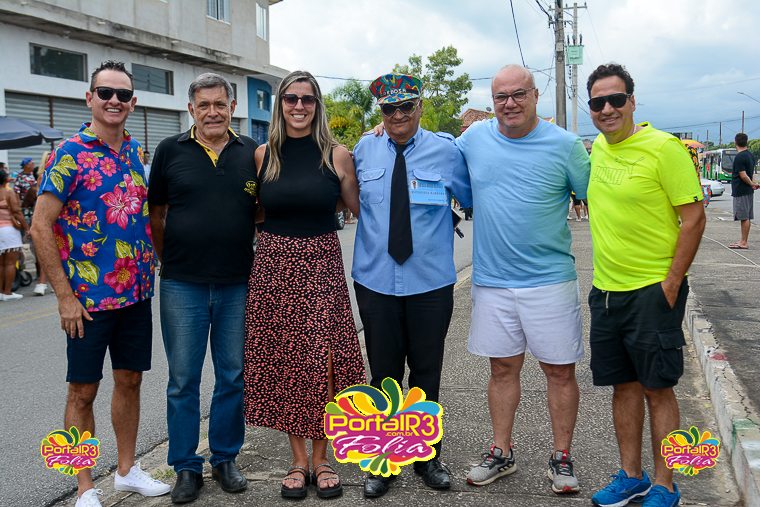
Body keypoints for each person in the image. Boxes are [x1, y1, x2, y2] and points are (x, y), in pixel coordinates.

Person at [31, 60, 170, 507]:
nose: (114, 100)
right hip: (87, 302)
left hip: (135, 295)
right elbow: (39, 226)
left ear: (133, 102)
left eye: (122, 94)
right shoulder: (68, 153)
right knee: (82, 391)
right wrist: (64, 297)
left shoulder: (133, 151)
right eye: (105, 92)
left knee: (130, 381)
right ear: (89, 97)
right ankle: (84, 487)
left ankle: (127, 471)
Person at [456, 65, 589, 495]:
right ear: (492, 101)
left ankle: (562, 457)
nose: (509, 103)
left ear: (535, 95)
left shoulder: (566, 145)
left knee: (559, 371)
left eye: (518, 94)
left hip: (550, 280)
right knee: (501, 368)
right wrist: (381, 131)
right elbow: (435, 152)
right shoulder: (475, 138)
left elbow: (598, 196)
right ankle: (501, 451)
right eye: (501, 97)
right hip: (493, 281)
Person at [585, 63, 705, 507]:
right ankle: (631, 476)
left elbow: (694, 218)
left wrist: (671, 284)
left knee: (658, 388)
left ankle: (665, 485)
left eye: (616, 99)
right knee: (624, 386)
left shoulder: (664, 148)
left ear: (632, 101)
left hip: (653, 291)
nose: (608, 109)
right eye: (598, 102)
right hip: (606, 292)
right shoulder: (598, 148)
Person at [243, 70, 365, 501]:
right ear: (280, 104)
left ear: (317, 105)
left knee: (324, 362)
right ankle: (298, 461)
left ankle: (323, 458)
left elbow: (362, 210)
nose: (299, 106)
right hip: (274, 268)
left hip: (321, 265)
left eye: (307, 99)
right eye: (291, 98)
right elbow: (253, 210)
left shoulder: (338, 155)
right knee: (287, 363)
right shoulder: (263, 155)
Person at [353, 72, 472, 498]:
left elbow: (471, 199)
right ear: (380, 112)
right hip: (376, 282)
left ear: (420, 107)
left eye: (406, 106)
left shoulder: (447, 151)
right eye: (389, 108)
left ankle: (427, 457)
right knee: (383, 375)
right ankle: (383, 460)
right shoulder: (363, 150)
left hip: (429, 284)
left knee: (426, 373)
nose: (398, 115)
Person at [148, 73, 257, 504]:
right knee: (182, 379)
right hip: (182, 285)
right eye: (204, 105)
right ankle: (185, 466)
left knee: (232, 375)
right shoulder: (169, 150)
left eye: (220, 104)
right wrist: (171, 259)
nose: (213, 112)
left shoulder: (252, 151)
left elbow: (261, 210)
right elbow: (157, 213)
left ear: (232, 107)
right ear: (191, 109)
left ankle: (225, 458)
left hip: (237, 283)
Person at [0, 168, 27, 301]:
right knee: (10, 263)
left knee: (0, 264)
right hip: (8, 230)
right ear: (6, 179)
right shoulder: (8, 192)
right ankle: (7, 292)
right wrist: (27, 228)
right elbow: (17, 211)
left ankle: (0, 292)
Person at [729, 132, 759, 249]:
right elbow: (751, 173)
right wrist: (753, 184)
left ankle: (744, 242)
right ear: (746, 142)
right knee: (746, 216)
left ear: (735, 142)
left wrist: (752, 184)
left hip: (741, 190)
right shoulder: (750, 155)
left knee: (744, 217)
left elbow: (743, 175)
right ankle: (742, 240)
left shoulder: (739, 157)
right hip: (747, 190)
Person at [15, 157, 37, 224]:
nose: (34, 165)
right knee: (27, 223)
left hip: (35, 204)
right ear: (27, 165)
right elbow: (16, 191)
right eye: (32, 163)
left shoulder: (34, 174)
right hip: (26, 205)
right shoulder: (20, 177)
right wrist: (19, 205)